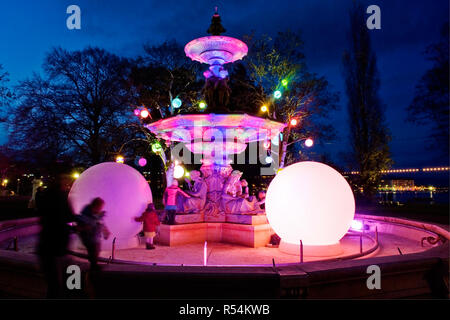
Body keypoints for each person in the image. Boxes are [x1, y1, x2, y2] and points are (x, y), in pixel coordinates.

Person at [36, 173, 75, 298]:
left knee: (55, 283)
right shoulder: (60, 197)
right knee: (57, 283)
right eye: (65, 182)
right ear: (60, 184)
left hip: (50, 245)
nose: (67, 185)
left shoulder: (48, 196)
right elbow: (67, 215)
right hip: (55, 246)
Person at [76, 197, 110, 271]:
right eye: (100, 207)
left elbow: (101, 223)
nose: (101, 209)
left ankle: (93, 265)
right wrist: (85, 227)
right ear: (95, 206)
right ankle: (93, 267)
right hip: (89, 238)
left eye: (101, 207)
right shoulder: (85, 215)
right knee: (94, 251)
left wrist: (106, 232)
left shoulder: (97, 214)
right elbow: (78, 227)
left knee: (96, 250)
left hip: (95, 237)